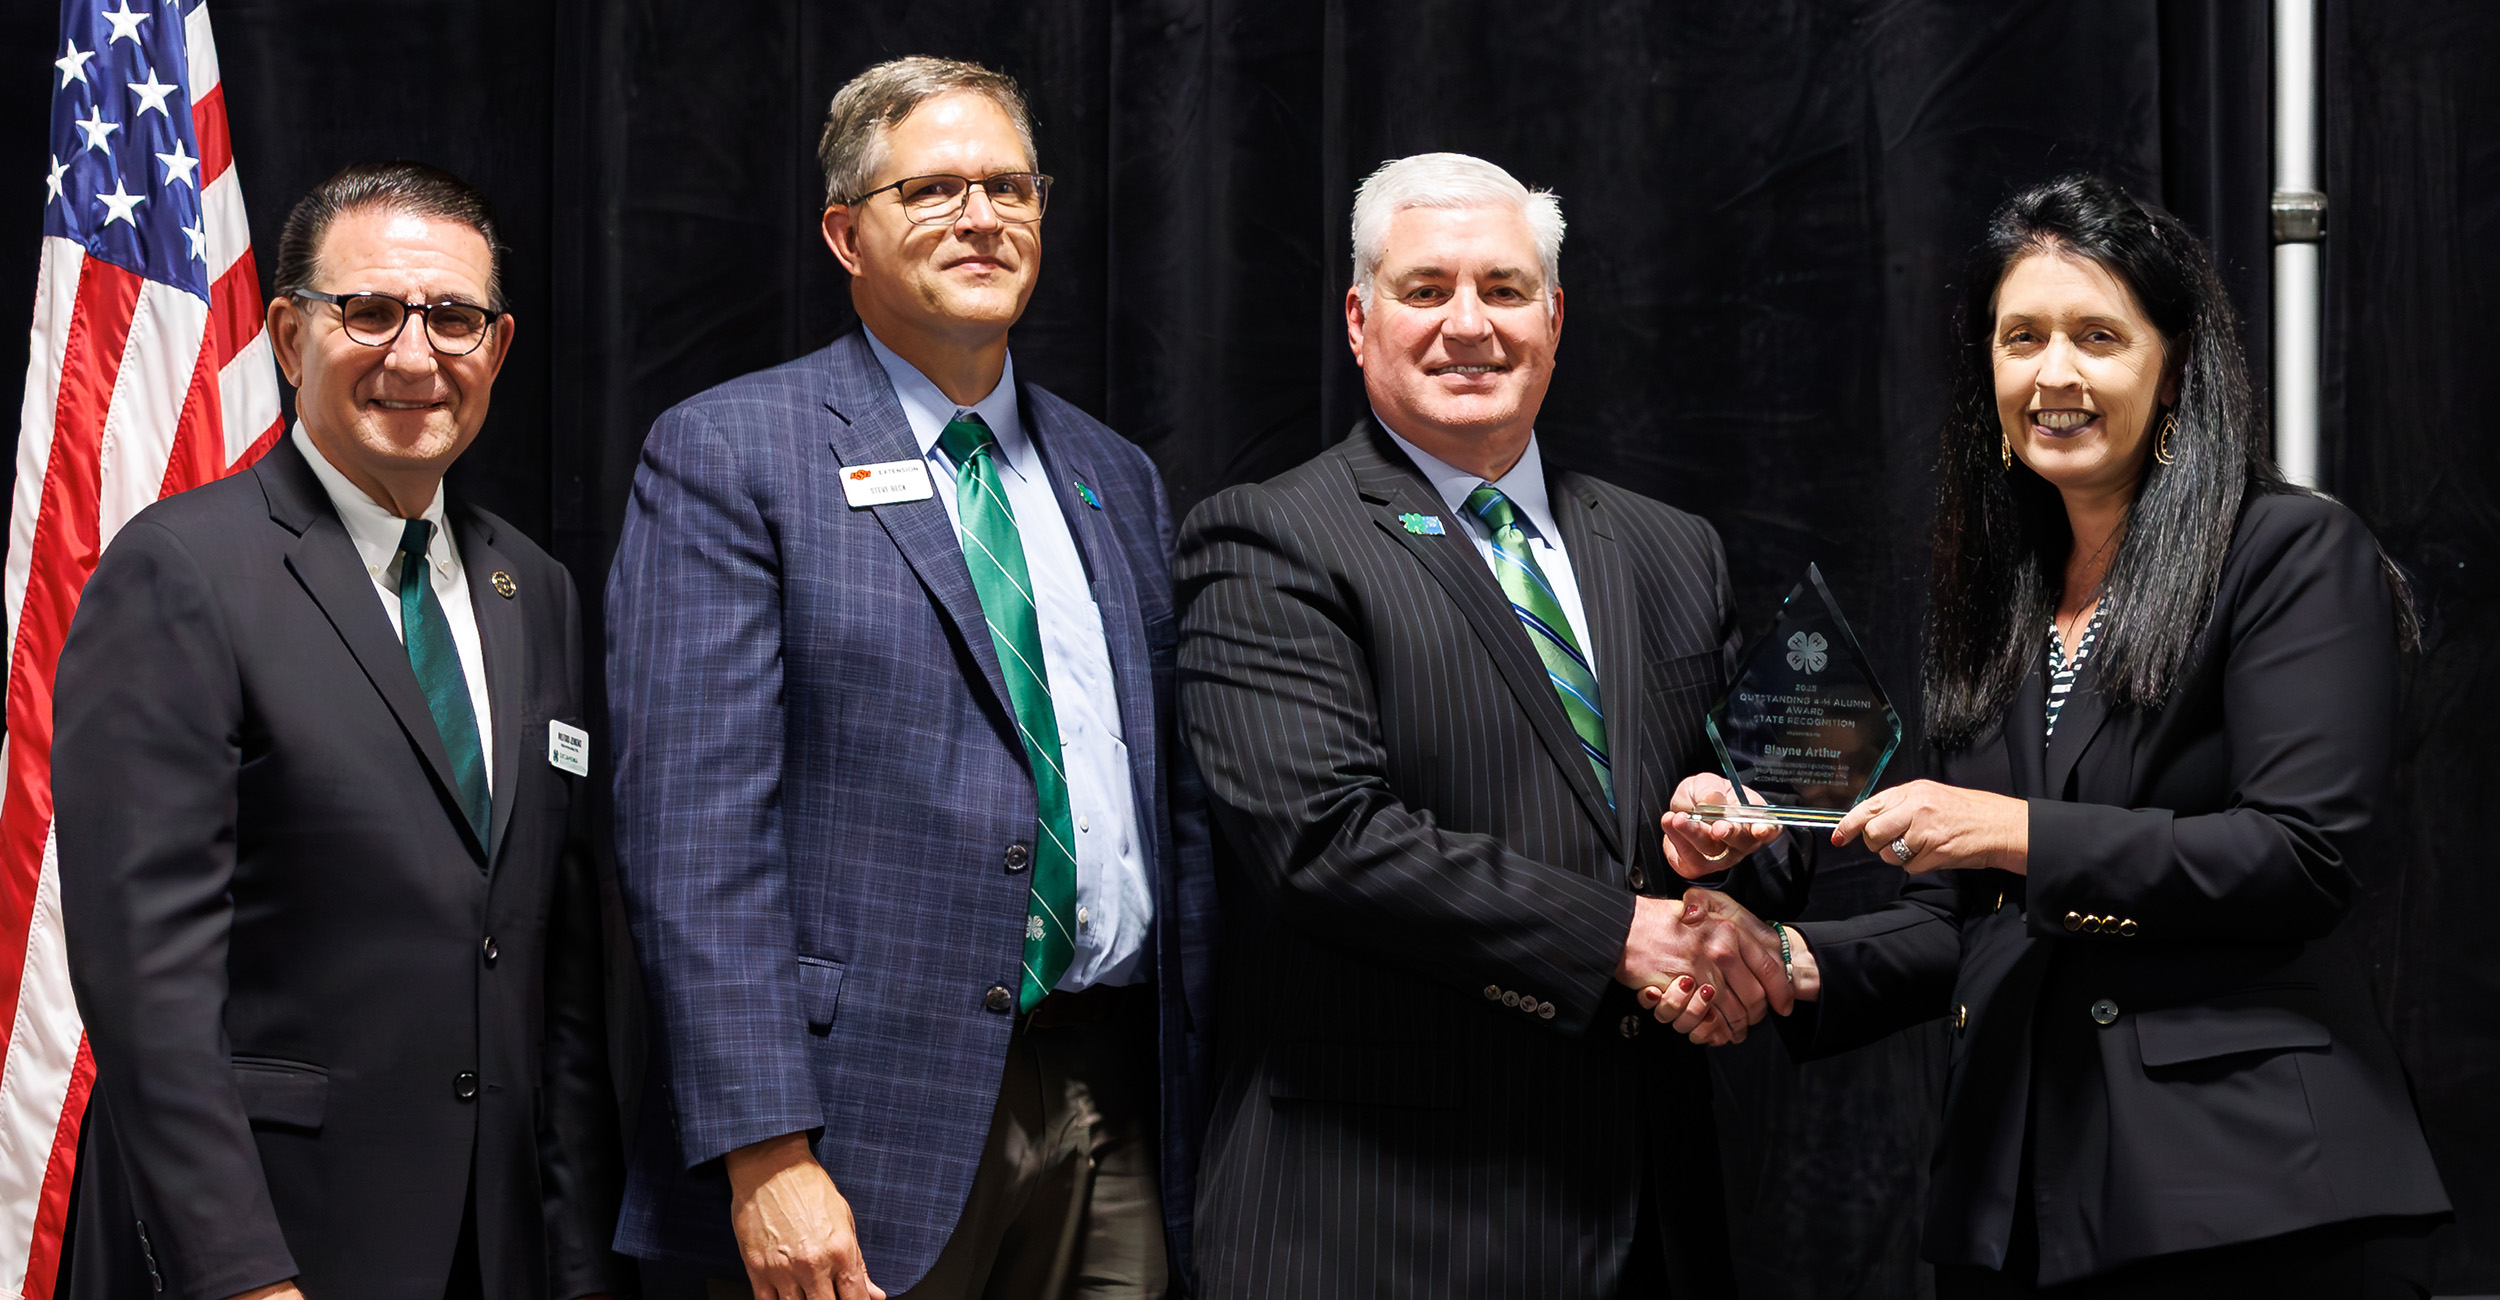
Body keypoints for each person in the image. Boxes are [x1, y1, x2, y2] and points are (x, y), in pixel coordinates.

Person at [1659, 173, 2450, 1296]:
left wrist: (2012, 827)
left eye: (2097, 336)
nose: (2054, 374)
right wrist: (1784, 961)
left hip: (2252, 1198)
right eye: (2019, 336)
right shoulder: (2005, 601)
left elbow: (2299, 854)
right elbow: (1965, 918)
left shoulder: (2287, 552)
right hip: (2023, 1196)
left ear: (2173, 365)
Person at [606, 56, 1214, 1300]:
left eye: (1008, 186)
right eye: (932, 189)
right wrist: (763, 1148)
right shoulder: (731, 453)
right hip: (857, 1115)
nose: (980, 218)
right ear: (845, 232)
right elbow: (692, 835)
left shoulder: (1117, 477)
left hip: (1115, 1099)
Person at [1174, 152, 1801, 1298]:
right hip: (1382, 1220)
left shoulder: (1672, 548)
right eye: (1426, 290)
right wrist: (1622, 931)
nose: (1470, 324)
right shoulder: (1270, 539)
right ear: (1360, 322)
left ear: (1554, 321)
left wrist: (1729, 834)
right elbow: (1322, 841)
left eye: (1505, 291)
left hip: (1644, 1208)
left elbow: (1764, 810)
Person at [55, 162, 627, 1300]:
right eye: (369, 311)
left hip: (500, 1249)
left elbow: (556, 976)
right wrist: (239, 1276)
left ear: (498, 348)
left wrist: (579, 1265)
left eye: (453, 317)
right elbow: (147, 986)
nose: (415, 355)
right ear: (285, 331)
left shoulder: (539, 588)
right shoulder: (182, 573)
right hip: (274, 1249)